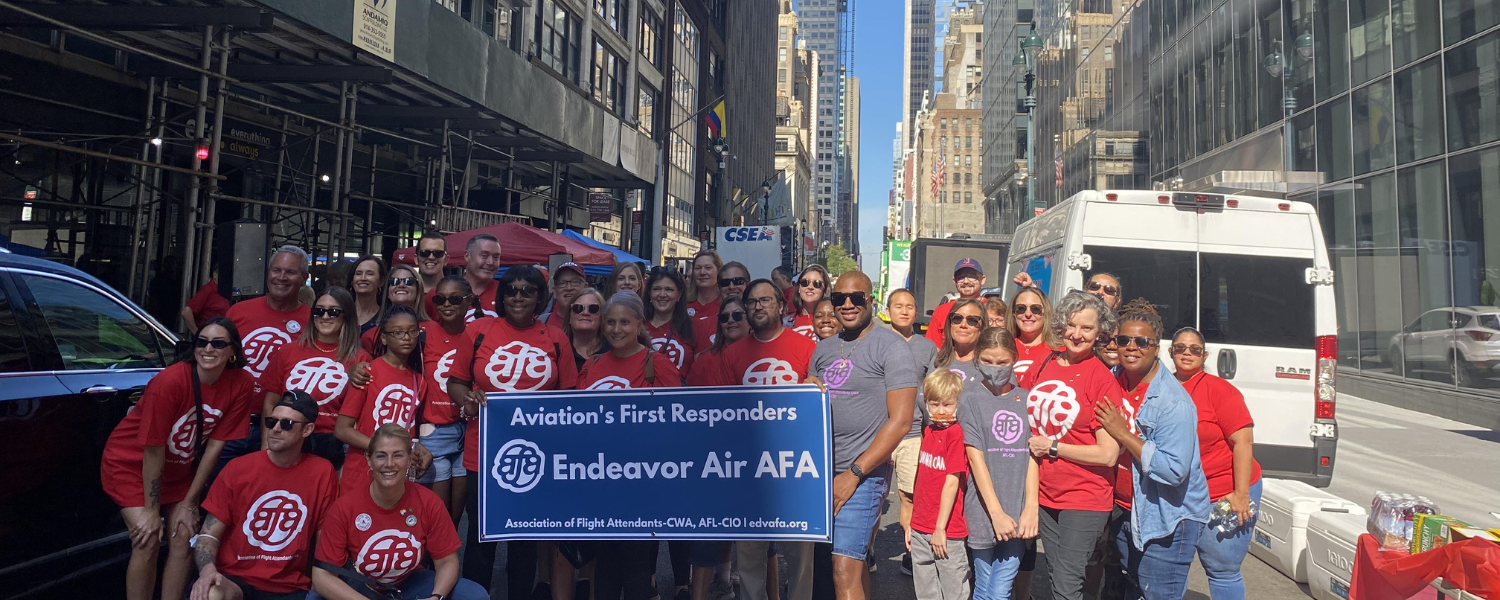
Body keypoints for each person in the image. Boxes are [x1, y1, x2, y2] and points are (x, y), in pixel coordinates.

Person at [100, 317, 257, 600]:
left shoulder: (242, 383)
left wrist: (190, 502)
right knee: (147, 537)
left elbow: (214, 448)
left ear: (232, 351)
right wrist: (150, 510)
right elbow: (153, 449)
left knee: (184, 535)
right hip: (131, 464)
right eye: (202, 342)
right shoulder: (170, 381)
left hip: (179, 468)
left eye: (218, 343)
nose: (208, 349)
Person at [447, 264, 578, 597]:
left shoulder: (557, 338)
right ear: (502, 295)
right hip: (484, 450)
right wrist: (468, 403)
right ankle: (476, 593)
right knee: (481, 536)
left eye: (528, 290)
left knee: (523, 538)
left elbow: (570, 399)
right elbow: (456, 381)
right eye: (512, 290)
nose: (518, 297)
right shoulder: (477, 330)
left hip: (537, 455)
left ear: (539, 298)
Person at [806, 271, 919, 600]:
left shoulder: (893, 347)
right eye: (840, 298)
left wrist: (854, 473)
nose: (848, 304)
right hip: (820, 474)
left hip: (863, 475)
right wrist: (806, 389)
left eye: (857, 298)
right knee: (844, 568)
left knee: (845, 567)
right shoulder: (824, 349)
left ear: (871, 301)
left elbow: (900, 422)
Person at [1094, 300, 1210, 600]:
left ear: (1156, 348)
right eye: (1124, 340)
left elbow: (1173, 470)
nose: (1132, 347)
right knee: (1131, 588)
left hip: (1166, 519)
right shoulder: (1112, 380)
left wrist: (1123, 433)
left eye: (1142, 341)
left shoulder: (1174, 402)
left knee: (1156, 593)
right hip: (1124, 509)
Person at [576, 292, 682, 600]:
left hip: (642, 483)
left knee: (636, 567)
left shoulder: (657, 363)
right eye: (610, 322)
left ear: (639, 324)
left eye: (624, 322)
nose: (616, 329)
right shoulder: (592, 365)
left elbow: (676, 418)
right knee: (605, 564)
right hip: (599, 481)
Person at [719, 280, 817, 600]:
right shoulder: (732, 354)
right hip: (749, 469)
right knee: (748, 556)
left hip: (795, 467)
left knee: (800, 554)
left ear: (781, 306)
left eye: (766, 300)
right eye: (752, 302)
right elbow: (722, 414)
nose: (758, 306)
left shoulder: (806, 348)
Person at [310, 424, 488, 600]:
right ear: (368, 459)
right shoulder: (344, 507)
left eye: (398, 455)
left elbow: (447, 561)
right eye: (381, 456)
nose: (389, 464)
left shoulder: (428, 502)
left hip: (408, 584)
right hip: (359, 588)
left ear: (410, 459)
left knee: (473, 594)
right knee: (314, 598)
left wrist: (436, 597)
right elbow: (321, 576)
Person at [1024, 291, 1124, 600]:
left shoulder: (1102, 380)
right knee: (1058, 577)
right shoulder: (1044, 363)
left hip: (1084, 497)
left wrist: (1052, 447)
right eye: (1071, 325)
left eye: (1087, 328)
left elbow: (1108, 455)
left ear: (1099, 333)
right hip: (1043, 492)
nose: (1076, 335)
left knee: (1067, 584)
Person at [190, 392, 339, 600]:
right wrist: (207, 571)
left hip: (289, 586)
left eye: (287, 424)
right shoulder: (238, 468)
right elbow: (208, 535)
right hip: (235, 579)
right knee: (211, 593)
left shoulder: (322, 472)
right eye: (271, 421)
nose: (276, 429)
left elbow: (324, 540)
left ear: (307, 429)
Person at [1171, 327, 1263, 600]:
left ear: (1205, 355)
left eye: (1194, 349)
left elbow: (1244, 443)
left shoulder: (1220, 390)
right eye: (1180, 348)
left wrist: (1241, 494)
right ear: (1170, 352)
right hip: (1178, 494)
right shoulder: (1159, 385)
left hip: (1224, 491)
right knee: (1171, 567)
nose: (1187, 353)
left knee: (1222, 567)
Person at [958, 328, 1040, 600]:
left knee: (1001, 588)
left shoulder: (1027, 399)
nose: (995, 368)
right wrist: (995, 513)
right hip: (984, 509)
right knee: (984, 585)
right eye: (988, 361)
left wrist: (1030, 508)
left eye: (1003, 362)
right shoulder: (969, 398)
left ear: (1014, 359)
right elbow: (975, 456)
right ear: (977, 358)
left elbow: (1032, 458)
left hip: (1017, 510)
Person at [260, 287, 369, 468]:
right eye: (319, 311)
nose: (325, 317)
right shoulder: (288, 351)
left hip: (331, 445)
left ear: (346, 316)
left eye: (333, 312)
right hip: (286, 436)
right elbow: (270, 403)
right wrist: (266, 446)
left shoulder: (360, 358)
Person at [334, 304, 430, 497]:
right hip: (363, 469)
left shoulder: (419, 381)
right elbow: (342, 429)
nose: (406, 337)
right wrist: (384, 448)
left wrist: (421, 450)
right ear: (384, 338)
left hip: (396, 473)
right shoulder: (367, 373)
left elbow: (409, 429)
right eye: (398, 332)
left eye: (412, 332)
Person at [885, 288, 939, 576]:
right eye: (898, 306)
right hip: (879, 430)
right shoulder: (876, 340)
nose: (904, 311)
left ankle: (911, 552)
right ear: (888, 310)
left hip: (913, 431)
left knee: (909, 493)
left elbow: (932, 388)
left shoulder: (927, 347)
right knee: (875, 496)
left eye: (910, 307)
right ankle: (865, 551)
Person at [417, 276, 477, 524]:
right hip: (435, 431)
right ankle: (429, 561)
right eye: (440, 299)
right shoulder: (423, 332)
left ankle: (447, 561)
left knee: (456, 515)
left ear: (469, 302)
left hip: (470, 428)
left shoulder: (478, 333)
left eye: (455, 299)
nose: (447, 304)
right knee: (434, 512)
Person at [908, 370, 971, 600]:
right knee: (925, 589)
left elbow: (952, 483)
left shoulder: (956, 434)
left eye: (948, 404)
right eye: (934, 404)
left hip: (947, 529)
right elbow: (922, 480)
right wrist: (912, 523)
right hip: (921, 525)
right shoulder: (928, 430)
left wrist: (940, 528)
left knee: (953, 587)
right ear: (926, 404)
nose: (941, 411)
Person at [359, 264, 431, 353]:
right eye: (394, 281)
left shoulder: (434, 330)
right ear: (388, 293)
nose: (401, 285)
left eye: (409, 281)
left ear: (418, 290)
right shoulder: (370, 336)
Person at [645, 267, 699, 374]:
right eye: (656, 289)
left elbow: (700, 372)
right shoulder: (636, 327)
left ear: (679, 294)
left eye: (669, 289)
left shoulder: (696, 327)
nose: (662, 294)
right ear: (649, 293)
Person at [685, 296, 748, 387]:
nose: (730, 320)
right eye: (724, 317)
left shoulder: (759, 354)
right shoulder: (705, 360)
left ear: (749, 319)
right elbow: (691, 396)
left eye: (737, 315)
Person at [1005, 286, 1059, 388]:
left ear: (1045, 312)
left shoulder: (1060, 351)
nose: (1028, 314)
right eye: (1021, 308)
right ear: (1013, 313)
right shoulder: (1003, 346)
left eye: (1035, 309)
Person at [925, 258, 987, 345]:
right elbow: (932, 348)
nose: (966, 281)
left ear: (982, 279)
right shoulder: (941, 311)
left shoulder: (992, 309)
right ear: (955, 281)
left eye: (972, 276)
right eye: (961, 277)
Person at [934, 298, 987, 383]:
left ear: (982, 326)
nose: (963, 325)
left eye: (972, 320)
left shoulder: (992, 364)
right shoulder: (937, 361)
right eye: (957, 318)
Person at [1012, 271, 1123, 312]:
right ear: (1086, 290)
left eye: (1109, 290)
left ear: (1117, 302)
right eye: (1094, 286)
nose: (1100, 292)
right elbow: (1046, 318)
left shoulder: (1121, 331)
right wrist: (1031, 286)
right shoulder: (1069, 317)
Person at [459, 233, 504, 321]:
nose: (490, 262)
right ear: (467, 256)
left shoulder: (506, 293)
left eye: (496, 257)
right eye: (484, 255)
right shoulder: (443, 293)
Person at [565, 288, 610, 370]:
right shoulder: (557, 349)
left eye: (593, 308)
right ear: (569, 317)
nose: (585, 313)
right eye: (578, 308)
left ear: (602, 317)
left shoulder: (613, 350)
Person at [686, 250, 725, 345]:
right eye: (698, 268)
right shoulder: (682, 305)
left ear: (719, 271)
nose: (702, 272)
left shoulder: (726, 306)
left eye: (708, 268)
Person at [181, 264, 230, 335]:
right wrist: (198, 334)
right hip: (209, 336)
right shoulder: (208, 290)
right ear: (215, 275)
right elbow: (186, 312)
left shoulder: (223, 291)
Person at [787, 265, 831, 340]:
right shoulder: (785, 323)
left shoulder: (832, 322)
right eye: (805, 282)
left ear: (824, 290)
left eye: (817, 284)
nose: (810, 287)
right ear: (799, 288)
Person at [544, 262, 589, 330]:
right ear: (555, 292)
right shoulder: (542, 322)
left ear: (585, 288)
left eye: (575, 282)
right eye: (562, 283)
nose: (569, 288)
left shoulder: (598, 323)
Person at [349, 255, 387, 334]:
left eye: (370, 274)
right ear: (352, 280)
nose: (363, 278)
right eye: (358, 273)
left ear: (381, 281)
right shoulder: (342, 313)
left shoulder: (386, 318)